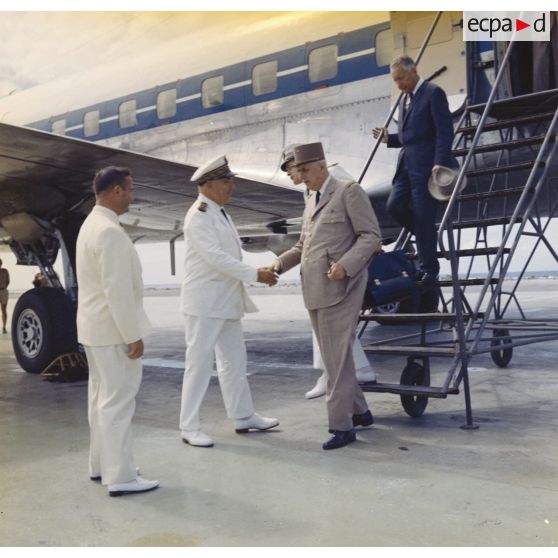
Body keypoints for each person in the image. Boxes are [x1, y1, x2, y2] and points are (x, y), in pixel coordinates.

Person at [273, 142, 381, 450]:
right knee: (338, 355)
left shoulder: (348, 191)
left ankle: (341, 425)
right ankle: (361, 412)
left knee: (336, 360)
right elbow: (303, 245)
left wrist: (346, 266)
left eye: (306, 170)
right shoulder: (311, 199)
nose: (301, 176)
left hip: (341, 288)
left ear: (322, 165)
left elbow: (370, 235)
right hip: (316, 290)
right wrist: (279, 264)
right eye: (299, 171)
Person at [179, 155, 279, 448]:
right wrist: (255, 274)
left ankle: (243, 415)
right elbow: (215, 258)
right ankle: (189, 426)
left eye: (231, 180)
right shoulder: (198, 215)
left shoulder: (219, 211)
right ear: (207, 185)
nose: (231, 186)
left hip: (226, 301)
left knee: (234, 362)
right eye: (226, 181)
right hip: (204, 303)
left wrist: (253, 274)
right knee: (198, 365)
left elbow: (228, 255)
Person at [76, 166, 159, 497]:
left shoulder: (91, 224)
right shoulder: (109, 231)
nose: (133, 196)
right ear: (115, 191)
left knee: (100, 402)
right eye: (130, 190)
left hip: (95, 331)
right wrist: (132, 333)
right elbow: (117, 291)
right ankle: (121, 477)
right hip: (112, 332)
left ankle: (102, 466)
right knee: (117, 403)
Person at [373, 55, 458, 285]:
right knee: (394, 206)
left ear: (413, 72)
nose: (399, 84)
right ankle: (425, 235)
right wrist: (388, 139)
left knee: (423, 218)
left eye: (401, 78)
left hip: (426, 166)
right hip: (405, 166)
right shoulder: (404, 99)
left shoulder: (433, 93)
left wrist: (440, 161)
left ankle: (430, 269)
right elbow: (407, 136)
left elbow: (444, 131)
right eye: (395, 81)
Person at [0, 259, 10, 334]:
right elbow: (8, 281)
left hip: (3, 290)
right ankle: (4, 327)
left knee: (4, 310)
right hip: (3, 290)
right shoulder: (5, 271)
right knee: (4, 310)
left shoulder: (5, 271)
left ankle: (4, 327)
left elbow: (8, 281)